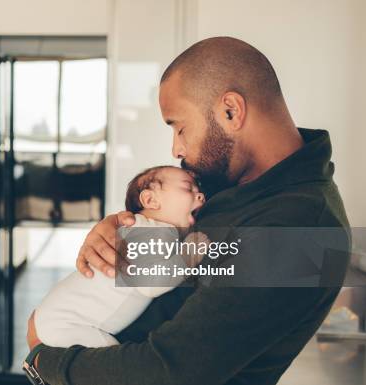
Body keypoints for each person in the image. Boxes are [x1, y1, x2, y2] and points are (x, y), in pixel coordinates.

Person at [25, 36, 350, 385]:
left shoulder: (300, 230)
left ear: (231, 111)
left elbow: (170, 371)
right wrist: (118, 227)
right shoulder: (229, 182)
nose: (176, 148)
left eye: (179, 126)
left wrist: (44, 362)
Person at [34, 166, 206, 348]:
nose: (200, 195)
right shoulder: (153, 231)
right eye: (188, 188)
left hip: (55, 318)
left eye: (199, 190)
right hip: (67, 323)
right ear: (150, 199)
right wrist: (189, 256)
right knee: (109, 358)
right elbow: (151, 284)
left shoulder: (144, 230)